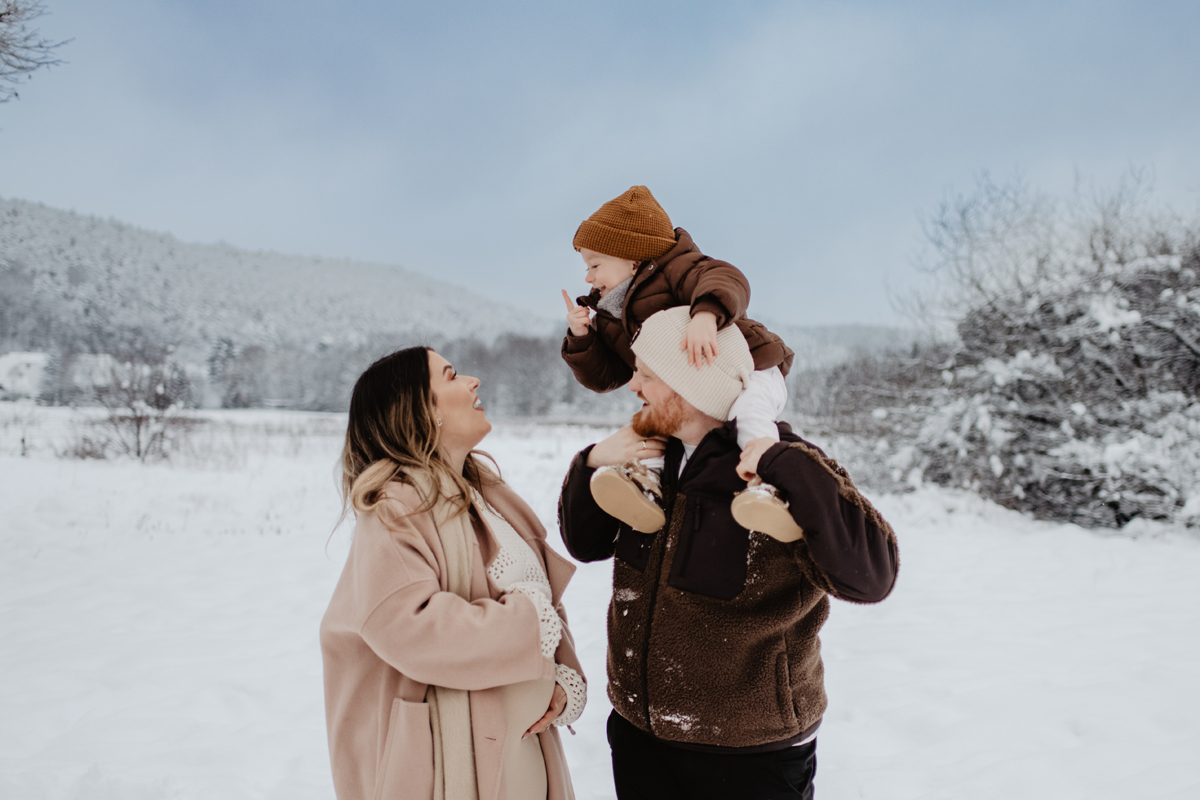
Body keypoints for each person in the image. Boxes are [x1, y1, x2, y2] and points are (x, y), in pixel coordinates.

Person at [558, 308, 899, 800]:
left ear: (689, 384)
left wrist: (787, 466)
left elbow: (873, 577)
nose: (634, 386)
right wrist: (593, 461)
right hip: (639, 734)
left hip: (751, 754)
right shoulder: (649, 461)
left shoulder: (781, 466)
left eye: (648, 375)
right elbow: (584, 544)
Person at [320, 346, 586, 800]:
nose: (472, 381)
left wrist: (561, 678)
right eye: (451, 375)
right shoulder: (396, 507)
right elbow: (410, 626)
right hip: (453, 764)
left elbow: (541, 598)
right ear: (421, 411)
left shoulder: (488, 496)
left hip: (521, 751)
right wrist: (528, 622)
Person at [560, 185, 802, 541]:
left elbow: (726, 278)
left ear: (632, 257)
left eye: (595, 265)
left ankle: (769, 483)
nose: (588, 278)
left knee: (749, 416)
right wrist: (583, 339)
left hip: (749, 366)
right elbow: (605, 377)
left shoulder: (677, 269)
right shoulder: (611, 317)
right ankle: (646, 486)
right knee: (651, 424)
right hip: (688, 389)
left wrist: (706, 314)